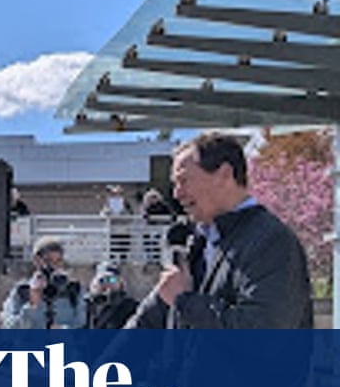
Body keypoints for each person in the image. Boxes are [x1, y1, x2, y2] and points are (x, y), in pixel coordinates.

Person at [127, 133, 313, 330]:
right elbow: (146, 323)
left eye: (184, 180)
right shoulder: (196, 242)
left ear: (224, 175)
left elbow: (264, 337)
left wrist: (185, 302)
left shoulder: (271, 242)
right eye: (175, 184)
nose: (176, 194)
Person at [0, 237, 86, 329]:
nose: (53, 266)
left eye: (58, 261)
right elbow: (10, 327)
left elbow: (83, 326)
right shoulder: (22, 291)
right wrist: (32, 305)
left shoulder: (73, 290)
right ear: (37, 261)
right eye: (48, 261)